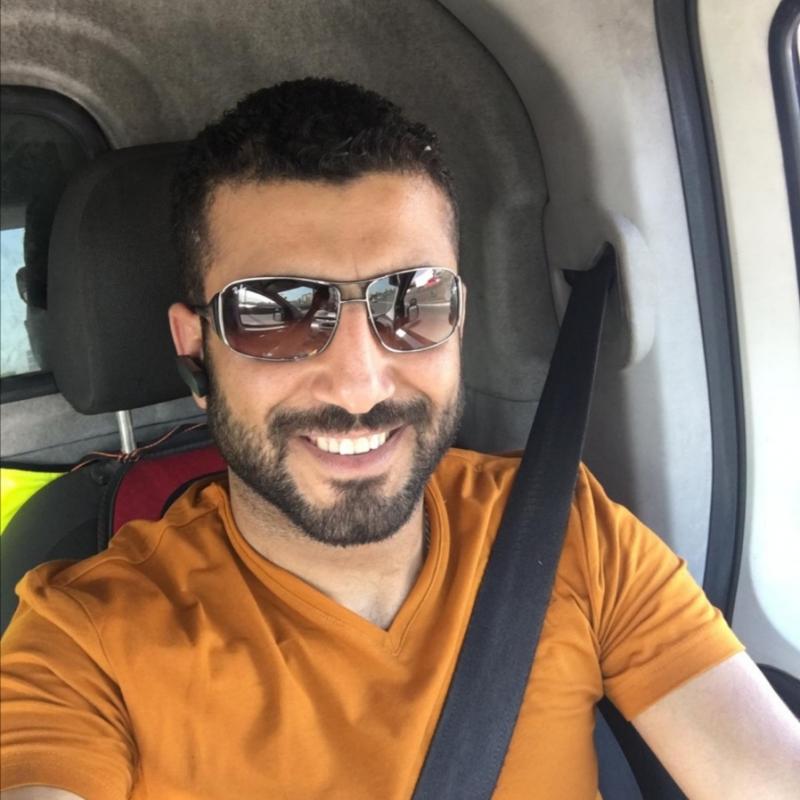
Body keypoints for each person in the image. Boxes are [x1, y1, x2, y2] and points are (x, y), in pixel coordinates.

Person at [1, 78, 799, 800]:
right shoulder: (87, 642)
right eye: (276, 313)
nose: (361, 385)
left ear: (459, 319)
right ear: (193, 351)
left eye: (411, 302)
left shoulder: (565, 533)